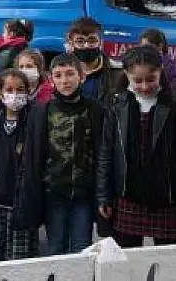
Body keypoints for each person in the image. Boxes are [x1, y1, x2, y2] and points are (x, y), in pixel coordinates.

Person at [97, 46, 176, 248]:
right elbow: (106, 153)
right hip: (128, 196)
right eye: (137, 81)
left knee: (168, 259)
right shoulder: (116, 105)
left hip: (167, 197)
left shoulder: (175, 106)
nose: (144, 85)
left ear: (161, 72)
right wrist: (104, 195)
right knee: (128, 258)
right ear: (126, 76)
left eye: (151, 79)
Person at [17, 53, 104, 255]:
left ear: (81, 76)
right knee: (55, 247)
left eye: (70, 74)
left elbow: (102, 152)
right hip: (53, 192)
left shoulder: (95, 109)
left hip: (83, 193)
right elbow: (33, 156)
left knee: (81, 247)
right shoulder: (42, 111)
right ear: (51, 78)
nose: (65, 80)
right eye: (58, 75)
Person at [0, 69, 39, 262]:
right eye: (9, 89)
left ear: (28, 92)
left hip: (21, 205)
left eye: (20, 89)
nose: (15, 95)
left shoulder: (34, 120)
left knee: (20, 262)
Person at [66, 17, 125, 108]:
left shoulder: (118, 73)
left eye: (92, 40)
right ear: (71, 44)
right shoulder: (63, 74)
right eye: (80, 41)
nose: (86, 46)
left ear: (101, 43)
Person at [140, 28, 176, 96]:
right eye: (142, 46)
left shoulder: (165, 65)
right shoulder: (145, 61)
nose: (144, 50)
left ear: (159, 46)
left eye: (147, 47)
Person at [0, 19, 33, 90]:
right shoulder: (25, 46)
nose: (3, 35)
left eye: (4, 32)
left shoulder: (7, 52)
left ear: (11, 34)